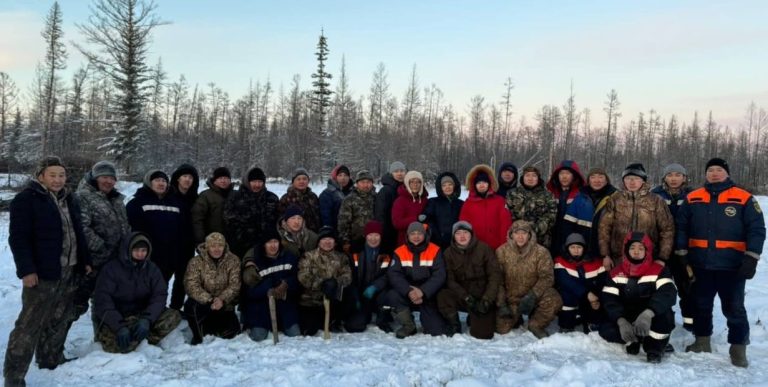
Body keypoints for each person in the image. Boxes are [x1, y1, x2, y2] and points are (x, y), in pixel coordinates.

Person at [4, 156, 92, 386]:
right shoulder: (27, 200)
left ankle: (49, 358)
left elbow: (77, 233)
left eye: (61, 175)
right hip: (42, 273)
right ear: (40, 175)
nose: (57, 179)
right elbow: (18, 239)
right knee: (29, 325)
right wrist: (26, 270)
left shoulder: (69, 199)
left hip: (69, 269)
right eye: (52, 175)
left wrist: (84, 260)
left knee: (59, 319)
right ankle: (14, 376)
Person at [676, 158, 766, 367]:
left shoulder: (744, 198)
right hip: (700, 264)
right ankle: (702, 341)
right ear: (705, 174)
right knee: (701, 306)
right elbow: (681, 227)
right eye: (710, 170)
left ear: (726, 173)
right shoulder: (693, 198)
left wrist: (752, 257)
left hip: (732, 267)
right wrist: (681, 253)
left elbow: (757, 229)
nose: (714, 173)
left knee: (734, 308)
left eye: (718, 170)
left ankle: (738, 349)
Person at [93, 232, 181, 353]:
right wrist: (119, 327)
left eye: (143, 250)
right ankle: (138, 340)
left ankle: (140, 340)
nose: (140, 254)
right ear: (128, 249)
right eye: (136, 250)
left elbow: (159, 295)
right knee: (113, 345)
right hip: (120, 317)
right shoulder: (111, 269)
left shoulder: (152, 269)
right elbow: (103, 301)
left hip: (142, 315)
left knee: (173, 316)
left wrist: (147, 319)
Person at [599, 232, 676, 364]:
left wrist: (648, 313)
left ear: (647, 251)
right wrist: (621, 320)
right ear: (626, 250)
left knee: (666, 318)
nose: (636, 252)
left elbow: (668, 294)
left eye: (640, 248)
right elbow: (609, 300)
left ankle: (654, 348)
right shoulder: (615, 273)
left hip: (650, 315)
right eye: (632, 248)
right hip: (626, 314)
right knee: (606, 328)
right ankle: (632, 340)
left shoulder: (660, 270)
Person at [75, 161, 131, 319]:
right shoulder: (83, 197)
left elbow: (123, 225)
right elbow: (81, 228)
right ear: (95, 178)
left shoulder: (116, 199)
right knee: (75, 305)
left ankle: (101, 337)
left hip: (113, 261)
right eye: (104, 177)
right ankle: (54, 342)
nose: (108, 181)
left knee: (105, 301)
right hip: (91, 263)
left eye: (111, 178)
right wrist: (101, 246)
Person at [598, 163, 674, 270]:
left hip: (649, 258)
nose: (632, 182)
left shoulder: (656, 200)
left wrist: (662, 258)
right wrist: (605, 255)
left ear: (643, 180)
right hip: (619, 258)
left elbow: (667, 230)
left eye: (636, 178)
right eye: (628, 178)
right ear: (623, 180)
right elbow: (604, 229)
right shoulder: (614, 200)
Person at [126, 170, 186, 306]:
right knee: (144, 288)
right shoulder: (137, 202)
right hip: (146, 255)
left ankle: (157, 313)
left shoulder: (175, 203)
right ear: (149, 182)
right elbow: (131, 229)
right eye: (157, 180)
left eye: (164, 181)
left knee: (161, 287)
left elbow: (182, 228)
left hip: (169, 256)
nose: (161, 183)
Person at [495, 221, 562, 339]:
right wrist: (502, 303)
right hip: (512, 299)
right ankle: (516, 317)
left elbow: (547, 277)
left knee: (554, 299)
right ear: (511, 235)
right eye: (517, 233)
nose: (520, 237)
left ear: (529, 235)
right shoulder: (501, 251)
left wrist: (532, 295)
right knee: (501, 329)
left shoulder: (541, 252)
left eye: (524, 233)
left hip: (533, 296)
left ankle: (536, 324)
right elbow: (497, 279)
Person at [437, 221, 501, 339]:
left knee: (483, 334)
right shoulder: (448, 253)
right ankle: (454, 323)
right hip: (462, 296)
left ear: (471, 234)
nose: (462, 236)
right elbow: (449, 280)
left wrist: (487, 299)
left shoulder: (484, 248)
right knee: (443, 295)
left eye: (465, 232)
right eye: (458, 233)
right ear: (453, 236)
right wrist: (465, 297)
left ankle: (474, 317)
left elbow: (494, 275)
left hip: (481, 296)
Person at [651, 163, 695, 331]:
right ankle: (664, 320)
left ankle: (690, 323)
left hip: (685, 251)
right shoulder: (655, 195)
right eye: (670, 175)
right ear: (665, 178)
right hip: (662, 251)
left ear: (684, 178)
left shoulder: (693, 195)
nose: (674, 178)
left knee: (687, 287)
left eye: (678, 175)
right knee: (662, 286)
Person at [386, 221, 447, 338]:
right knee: (392, 295)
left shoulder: (435, 250)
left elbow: (440, 275)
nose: (416, 236)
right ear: (407, 236)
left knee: (436, 330)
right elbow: (394, 275)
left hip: (428, 294)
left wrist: (423, 291)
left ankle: (433, 320)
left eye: (419, 233)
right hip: (408, 292)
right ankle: (408, 325)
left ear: (425, 235)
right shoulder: (399, 251)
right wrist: (409, 291)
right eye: (412, 233)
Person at [241, 228, 301, 341]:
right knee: (258, 337)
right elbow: (249, 291)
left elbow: (297, 279)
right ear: (264, 244)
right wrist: (267, 289)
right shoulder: (255, 263)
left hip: (285, 306)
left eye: (275, 242)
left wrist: (286, 284)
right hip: (262, 308)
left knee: (295, 334)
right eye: (269, 242)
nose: (273, 245)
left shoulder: (289, 257)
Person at [183, 232, 242, 344]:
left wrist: (221, 299)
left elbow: (235, 285)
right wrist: (210, 299)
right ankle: (198, 336)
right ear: (207, 247)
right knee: (190, 306)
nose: (217, 249)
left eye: (220, 245)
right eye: (213, 246)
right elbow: (191, 285)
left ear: (224, 246)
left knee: (232, 334)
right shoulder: (195, 262)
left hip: (224, 304)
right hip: (204, 304)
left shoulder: (233, 260)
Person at [297, 226, 353, 336]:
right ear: (318, 242)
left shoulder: (341, 257)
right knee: (310, 330)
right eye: (324, 239)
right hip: (312, 301)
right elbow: (303, 277)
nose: (327, 242)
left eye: (330, 239)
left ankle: (334, 320)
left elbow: (347, 276)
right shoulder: (308, 256)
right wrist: (322, 283)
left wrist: (335, 284)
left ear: (335, 242)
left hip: (333, 301)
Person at [344, 221, 394, 333]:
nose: (373, 238)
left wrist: (375, 286)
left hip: (378, 291)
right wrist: (355, 295)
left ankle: (383, 317)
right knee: (355, 325)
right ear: (365, 236)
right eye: (370, 235)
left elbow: (390, 274)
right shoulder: (355, 251)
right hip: (360, 292)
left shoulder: (388, 251)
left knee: (389, 293)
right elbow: (349, 274)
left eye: (376, 235)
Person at [553, 233, 607, 333]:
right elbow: (566, 282)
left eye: (579, 247)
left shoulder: (596, 262)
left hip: (591, 299)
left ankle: (592, 322)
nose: (576, 250)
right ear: (567, 248)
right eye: (572, 247)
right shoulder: (560, 261)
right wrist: (587, 294)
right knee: (566, 294)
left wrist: (596, 297)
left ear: (584, 248)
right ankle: (566, 324)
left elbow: (603, 281)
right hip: (573, 296)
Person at [223, 166, 279, 258]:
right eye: (254, 182)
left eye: (260, 182)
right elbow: (228, 219)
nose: (257, 185)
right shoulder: (235, 197)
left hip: (266, 246)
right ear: (247, 182)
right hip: (240, 246)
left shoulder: (271, 198)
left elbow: (277, 220)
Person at [565, 167, 619, 257]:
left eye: (601, 177)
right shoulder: (580, 197)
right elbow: (568, 225)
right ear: (588, 180)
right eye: (593, 177)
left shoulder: (615, 198)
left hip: (606, 250)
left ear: (606, 180)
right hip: (582, 248)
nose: (597, 180)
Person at [169, 163, 200, 310]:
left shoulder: (195, 198)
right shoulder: (168, 196)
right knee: (162, 278)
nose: (187, 180)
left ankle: (175, 307)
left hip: (187, 245)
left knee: (182, 278)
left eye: (190, 177)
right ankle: (156, 309)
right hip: (168, 244)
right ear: (177, 179)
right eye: (184, 176)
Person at [459, 164, 512, 249]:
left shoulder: (499, 201)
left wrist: (504, 245)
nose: (481, 185)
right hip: (476, 247)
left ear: (489, 183)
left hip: (497, 246)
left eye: (484, 182)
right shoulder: (468, 203)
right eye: (478, 183)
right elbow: (463, 226)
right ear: (474, 185)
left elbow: (505, 224)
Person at [506, 166, 557, 248]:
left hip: (541, 240)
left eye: (534, 175)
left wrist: (534, 229)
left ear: (538, 178)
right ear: (523, 178)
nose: (530, 178)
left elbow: (551, 216)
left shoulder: (548, 195)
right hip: (517, 238)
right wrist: (520, 230)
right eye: (527, 175)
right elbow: (507, 214)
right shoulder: (512, 194)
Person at [546, 160, 586, 257]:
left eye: (568, 173)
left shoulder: (582, 196)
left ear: (574, 176)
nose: (564, 176)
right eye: (561, 173)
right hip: (551, 243)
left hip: (572, 245)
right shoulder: (549, 194)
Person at [337, 170, 377, 254]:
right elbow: (343, 222)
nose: (366, 185)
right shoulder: (349, 199)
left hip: (375, 240)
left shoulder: (377, 197)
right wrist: (345, 241)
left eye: (369, 182)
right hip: (355, 240)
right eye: (362, 182)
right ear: (357, 183)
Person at [192, 167, 234, 244]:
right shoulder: (205, 196)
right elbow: (197, 219)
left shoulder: (236, 195)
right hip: (212, 242)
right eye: (220, 178)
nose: (223, 181)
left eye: (226, 178)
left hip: (233, 242)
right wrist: (200, 240)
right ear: (215, 180)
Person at [422, 171, 464, 248]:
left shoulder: (461, 204)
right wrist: (437, 235)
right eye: (444, 185)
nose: (447, 187)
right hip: (437, 242)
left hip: (456, 243)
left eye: (450, 184)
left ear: (454, 186)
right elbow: (428, 220)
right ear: (440, 188)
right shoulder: (433, 202)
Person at [374, 161, 406, 253]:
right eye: (396, 171)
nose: (399, 173)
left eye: (402, 171)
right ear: (391, 173)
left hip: (403, 233)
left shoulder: (406, 188)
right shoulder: (386, 191)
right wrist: (384, 235)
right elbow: (380, 214)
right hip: (389, 234)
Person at [391, 170, 429, 247]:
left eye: (418, 182)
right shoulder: (400, 201)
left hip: (423, 241)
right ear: (407, 183)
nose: (415, 184)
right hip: (405, 241)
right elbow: (397, 223)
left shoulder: (425, 200)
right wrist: (416, 219)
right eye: (412, 182)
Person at [278, 168, 321, 232]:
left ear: (308, 181)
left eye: (304, 179)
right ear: (293, 182)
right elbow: (280, 219)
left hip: (313, 235)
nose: (302, 181)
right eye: (298, 179)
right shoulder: (286, 198)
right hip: (294, 236)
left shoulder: (313, 197)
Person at [320, 164, 353, 230]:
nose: (343, 178)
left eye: (346, 175)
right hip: (334, 231)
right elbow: (326, 216)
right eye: (340, 175)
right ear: (335, 177)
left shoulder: (354, 192)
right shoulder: (327, 194)